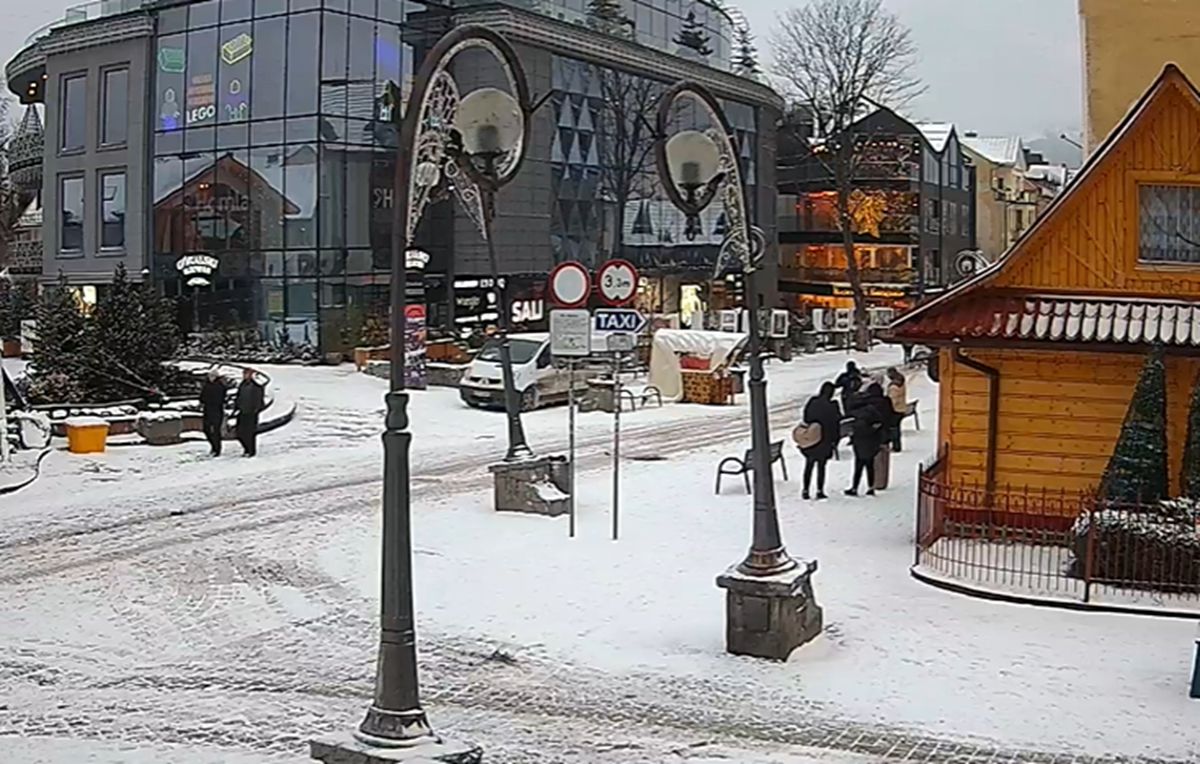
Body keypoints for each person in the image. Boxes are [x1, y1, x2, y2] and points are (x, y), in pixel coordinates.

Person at [799, 382, 842, 500]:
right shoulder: (833, 405)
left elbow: (806, 417)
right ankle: (819, 490)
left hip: (812, 437)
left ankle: (805, 489)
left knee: (809, 465)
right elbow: (836, 424)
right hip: (825, 439)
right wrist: (835, 441)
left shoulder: (813, 401)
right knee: (821, 466)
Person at [845, 382, 889, 497]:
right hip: (871, 442)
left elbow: (850, 425)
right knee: (870, 465)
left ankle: (854, 487)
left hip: (859, 442)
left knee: (858, 465)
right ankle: (870, 487)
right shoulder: (872, 410)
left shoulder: (855, 412)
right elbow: (880, 423)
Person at [233, 368, 265, 457]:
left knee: (249, 432)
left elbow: (259, 400)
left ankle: (250, 450)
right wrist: (236, 406)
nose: (244, 375)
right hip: (242, 411)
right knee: (239, 432)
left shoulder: (256, 386)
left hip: (251, 412)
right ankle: (246, 448)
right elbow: (239, 396)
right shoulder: (242, 385)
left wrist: (255, 409)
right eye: (244, 374)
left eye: (246, 374)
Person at [199, 369, 227, 457]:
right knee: (206, 429)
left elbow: (219, 399)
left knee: (216, 431)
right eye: (210, 376)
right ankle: (213, 447)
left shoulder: (220, 386)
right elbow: (202, 397)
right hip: (207, 410)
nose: (210, 378)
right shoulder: (207, 385)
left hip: (216, 411)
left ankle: (217, 449)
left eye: (212, 376)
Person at [886, 367, 908, 452]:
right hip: (902, 408)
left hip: (895, 410)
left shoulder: (894, 387)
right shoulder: (901, 381)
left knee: (894, 429)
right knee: (897, 428)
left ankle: (896, 446)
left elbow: (892, 400)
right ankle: (897, 445)